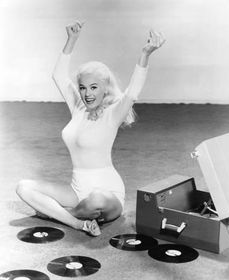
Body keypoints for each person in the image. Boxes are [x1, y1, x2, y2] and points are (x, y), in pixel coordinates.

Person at [16, 21, 165, 236]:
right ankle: (77, 222)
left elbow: (133, 91)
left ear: (105, 89)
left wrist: (145, 54)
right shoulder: (78, 107)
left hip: (108, 195)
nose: (88, 94)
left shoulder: (113, 114)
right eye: (83, 88)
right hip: (77, 190)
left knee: (95, 198)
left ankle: (57, 213)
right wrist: (72, 40)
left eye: (94, 88)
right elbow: (58, 76)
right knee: (23, 186)